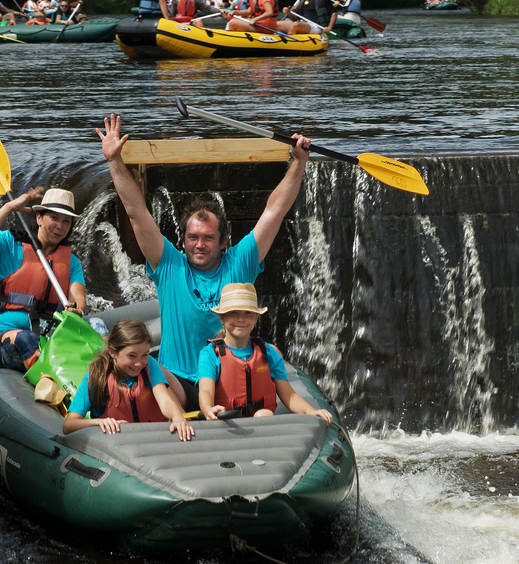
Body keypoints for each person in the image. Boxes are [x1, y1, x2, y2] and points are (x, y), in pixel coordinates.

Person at [100, 113, 313, 413]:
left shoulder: (240, 261)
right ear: (183, 241)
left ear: (223, 241)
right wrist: (114, 161)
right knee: (150, 372)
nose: (199, 244)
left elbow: (274, 211)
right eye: (192, 237)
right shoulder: (169, 264)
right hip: (180, 382)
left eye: (208, 238)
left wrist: (298, 163)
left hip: (227, 380)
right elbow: (136, 213)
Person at [0, 185, 87, 371]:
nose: (60, 226)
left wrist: (76, 311)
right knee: (26, 339)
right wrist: (8, 208)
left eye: (67, 221)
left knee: (97, 326)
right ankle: (52, 385)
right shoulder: (8, 243)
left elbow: (78, 301)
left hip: (48, 340)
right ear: (39, 218)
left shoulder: (71, 262)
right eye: (54, 218)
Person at [195, 283, 333, 423]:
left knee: (263, 414)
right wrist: (207, 409)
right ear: (222, 318)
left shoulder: (268, 352)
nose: (241, 319)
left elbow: (288, 395)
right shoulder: (209, 354)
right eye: (233, 313)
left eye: (247, 313)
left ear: (256, 318)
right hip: (226, 421)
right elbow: (205, 390)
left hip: (263, 423)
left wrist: (311, 411)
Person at [65, 319, 194, 442]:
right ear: (113, 353)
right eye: (131, 356)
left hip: (153, 439)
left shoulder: (150, 365)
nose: (139, 363)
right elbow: (69, 425)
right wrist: (97, 423)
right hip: (119, 446)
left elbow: (165, 399)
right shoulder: (96, 377)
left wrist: (177, 416)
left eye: (144, 354)